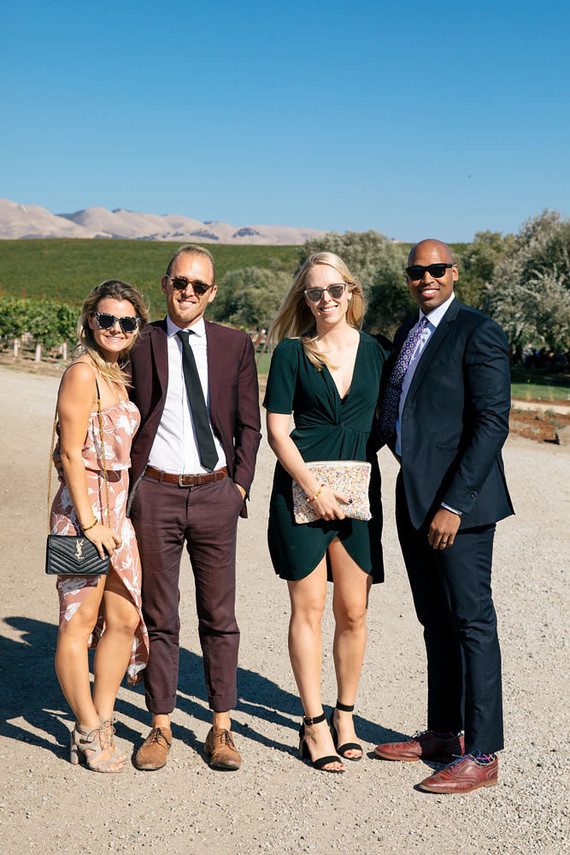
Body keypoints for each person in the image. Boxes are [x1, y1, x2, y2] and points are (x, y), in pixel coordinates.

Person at [374, 239, 513, 793]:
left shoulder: (477, 331)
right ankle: (442, 732)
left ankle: (482, 752)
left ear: (454, 273)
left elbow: (491, 423)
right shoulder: (411, 330)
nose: (425, 278)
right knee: (436, 621)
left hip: (461, 509)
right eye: (416, 271)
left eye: (435, 269)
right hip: (414, 498)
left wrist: (454, 504)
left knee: (473, 623)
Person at [128, 245, 261, 772]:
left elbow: (249, 424)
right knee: (159, 615)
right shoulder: (141, 341)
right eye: (179, 282)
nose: (188, 292)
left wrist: (240, 488)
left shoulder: (234, 345)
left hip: (215, 494)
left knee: (219, 617)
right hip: (155, 494)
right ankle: (159, 725)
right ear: (165, 285)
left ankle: (221, 728)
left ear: (212, 291)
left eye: (199, 286)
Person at [264, 252, 386, 773]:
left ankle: (346, 717)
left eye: (334, 290)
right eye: (314, 292)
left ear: (351, 291)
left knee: (354, 612)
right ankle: (313, 724)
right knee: (309, 606)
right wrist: (313, 487)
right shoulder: (293, 353)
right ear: (304, 299)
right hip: (302, 490)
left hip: (357, 493)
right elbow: (277, 427)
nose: (325, 300)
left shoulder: (378, 352)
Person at [51, 279, 150, 772]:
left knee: (125, 617)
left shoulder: (118, 372)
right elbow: (69, 452)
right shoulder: (82, 373)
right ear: (91, 320)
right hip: (84, 514)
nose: (116, 328)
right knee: (79, 623)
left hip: (117, 515)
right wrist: (89, 524)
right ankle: (87, 730)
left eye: (126, 322)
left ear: (136, 327)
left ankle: (104, 715)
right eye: (106, 319)